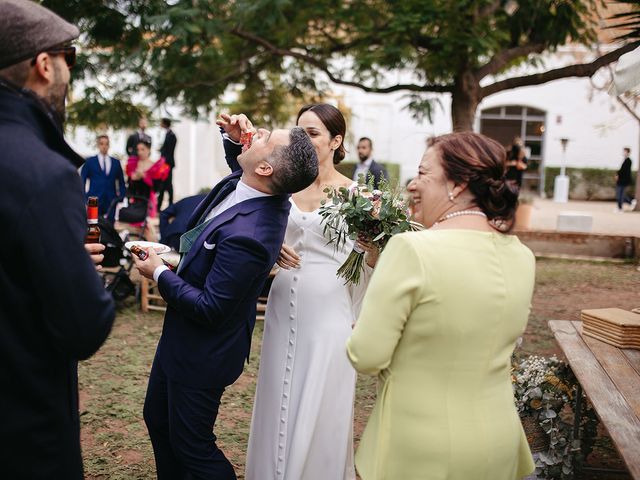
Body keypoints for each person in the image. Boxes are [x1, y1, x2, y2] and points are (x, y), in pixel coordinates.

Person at [134, 120, 318, 479]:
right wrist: (235, 141)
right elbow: (242, 166)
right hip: (180, 338)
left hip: (203, 352)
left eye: (265, 138)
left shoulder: (249, 236)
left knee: (193, 447)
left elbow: (210, 308)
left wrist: (157, 272)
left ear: (265, 168)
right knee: (157, 419)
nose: (257, 132)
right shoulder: (256, 185)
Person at [347, 132, 536, 480]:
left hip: (421, 447)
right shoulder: (523, 257)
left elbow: (367, 355)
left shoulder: (412, 250)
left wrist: (365, 330)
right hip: (499, 440)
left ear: (459, 185)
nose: (412, 185)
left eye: (422, 173)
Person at [0, 1, 115, 478]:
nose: (70, 69)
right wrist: (79, 270)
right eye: (70, 56)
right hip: (22, 428)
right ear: (44, 65)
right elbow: (82, 327)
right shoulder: (45, 174)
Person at [244, 104, 379, 480]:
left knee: (324, 397)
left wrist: (371, 249)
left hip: (331, 305)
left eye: (314, 133)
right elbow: (255, 234)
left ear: (337, 141)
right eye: (299, 131)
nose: (303, 138)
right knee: (276, 393)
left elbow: (370, 262)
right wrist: (270, 250)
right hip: (283, 298)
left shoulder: (358, 195)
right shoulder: (282, 186)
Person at [81, 134, 126, 222]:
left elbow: (121, 181)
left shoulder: (116, 163)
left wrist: (121, 197)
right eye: (101, 144)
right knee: (93, 226)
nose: (104, 146)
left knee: (109, 228)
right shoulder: (90, 162)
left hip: (111, 199)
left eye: (106, 144)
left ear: (109, 145)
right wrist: (84, 197)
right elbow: (82, 180)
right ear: (98, 145)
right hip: (93, 199)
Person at [157, 117, 177, 209]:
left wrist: (162, 154)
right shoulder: (168, 134)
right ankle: (160, 205)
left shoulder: (171, 135)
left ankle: (169, 204)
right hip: (165, 164)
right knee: (163, 184)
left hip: (167, 164)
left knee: (168, 185)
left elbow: (169, 150)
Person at [615, 147, 635, 212]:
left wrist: (618, 174)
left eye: (625, 151)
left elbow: (625, 171)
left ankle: (628, 203)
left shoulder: (628, 161)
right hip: (621, 180)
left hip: (623, 181)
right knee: (619, 194)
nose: (624, 153)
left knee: (620, 194)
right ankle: (620, 207)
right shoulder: (625, 160)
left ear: (628, 152)